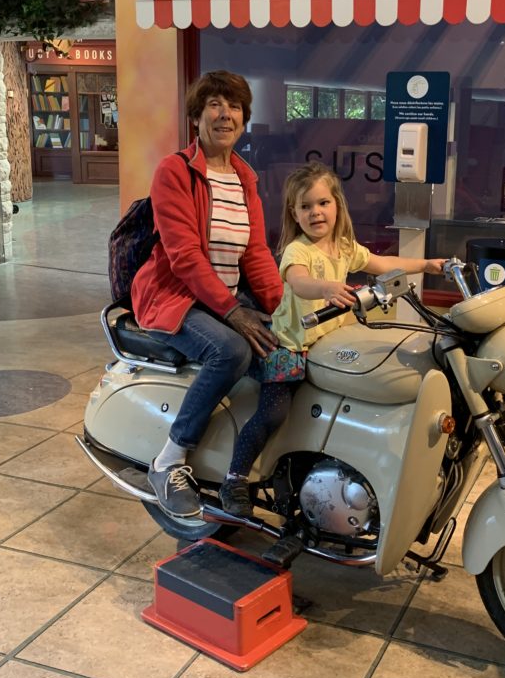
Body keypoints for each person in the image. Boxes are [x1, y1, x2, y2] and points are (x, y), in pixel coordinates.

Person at [218, 161, 446, 518]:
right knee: (273, 413)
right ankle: (235, 478)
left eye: (323, 202)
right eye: (305, 206)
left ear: (337, 204)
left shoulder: (343, 247)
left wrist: (427, 265)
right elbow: (299, 281)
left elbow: (381, 263)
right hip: (291, 345)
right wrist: (326, 288)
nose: (316, 212)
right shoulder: (298, 251)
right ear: (294, 213)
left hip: (330, 345)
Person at [132, 71, 282, 517]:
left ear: (244, 119)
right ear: (196, 117)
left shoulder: (245, 178)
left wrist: (284, 310)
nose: (225, 114)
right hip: (173, 298)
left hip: (222, 299)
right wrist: (234, 311)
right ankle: (168, 460)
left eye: (234, 106)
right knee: (231, 350)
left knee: (286, 354)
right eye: (214, 104)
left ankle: (242, 471)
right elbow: (184, 257)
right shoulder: (175, 171)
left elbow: (255, 252)